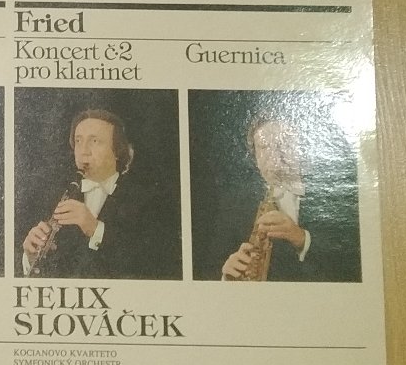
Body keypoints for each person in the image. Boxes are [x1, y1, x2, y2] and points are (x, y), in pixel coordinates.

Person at [20, 108, 181, 280]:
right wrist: (30, 257)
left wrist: (95, 229)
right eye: (78, 141)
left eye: (94, 141)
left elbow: (156, 263)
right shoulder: (53, 195)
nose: (83, 151)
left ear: (117, 150)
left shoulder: (149, 199)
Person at [211, 114, 361, 283]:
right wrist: (226, 276)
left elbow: (354, 261)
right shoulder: (235, 204)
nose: (275, 156)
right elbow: (212, 270)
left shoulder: (338, 193)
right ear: (256, 158)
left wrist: (302, 238)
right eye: (264, 147)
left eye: (283, 144)